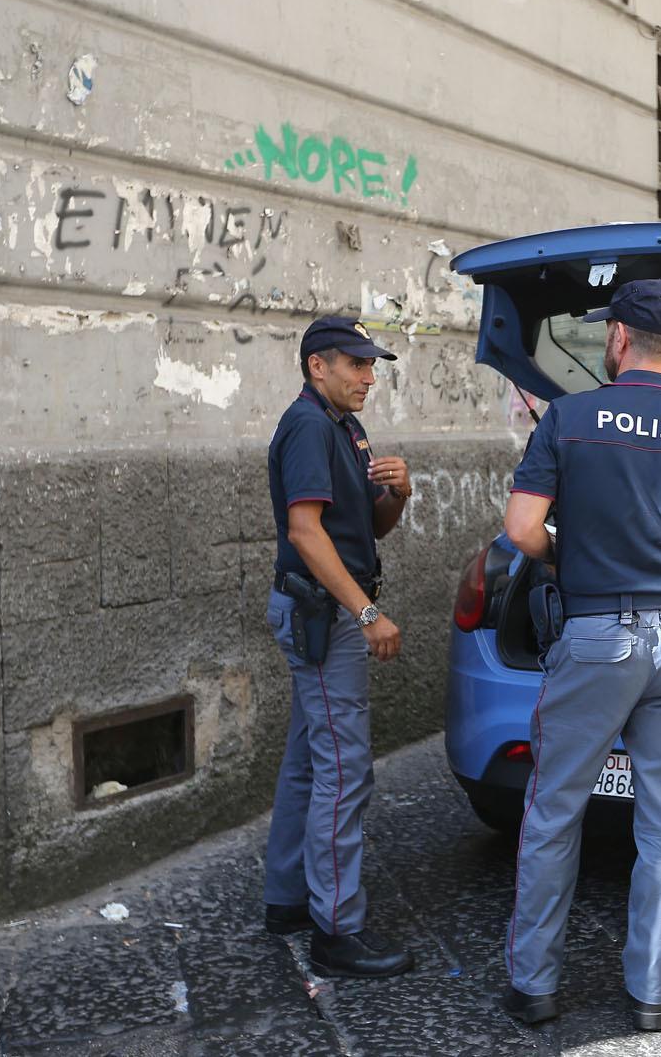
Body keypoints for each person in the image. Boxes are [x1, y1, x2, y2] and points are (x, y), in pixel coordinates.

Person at [499, 278, 661, 1032]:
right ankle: (651, 993)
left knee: (555, 808)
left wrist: (569, 554)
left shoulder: (570, 419)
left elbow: (522, 529)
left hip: (597, 636)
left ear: (618, 339)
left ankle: (535, 986)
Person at [262, 316, 415, 977]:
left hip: (327, 609)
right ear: (316, 365)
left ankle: (289, 899)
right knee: (344, 771)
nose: (368, 377)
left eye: (371, 364)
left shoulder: (345, 429)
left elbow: (368, 525)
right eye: (356, 364)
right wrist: (367, 611)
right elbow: (304, 531)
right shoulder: (307, 426)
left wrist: (399, 494)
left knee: (309, 761)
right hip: (325, 614)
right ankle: (336, 930)